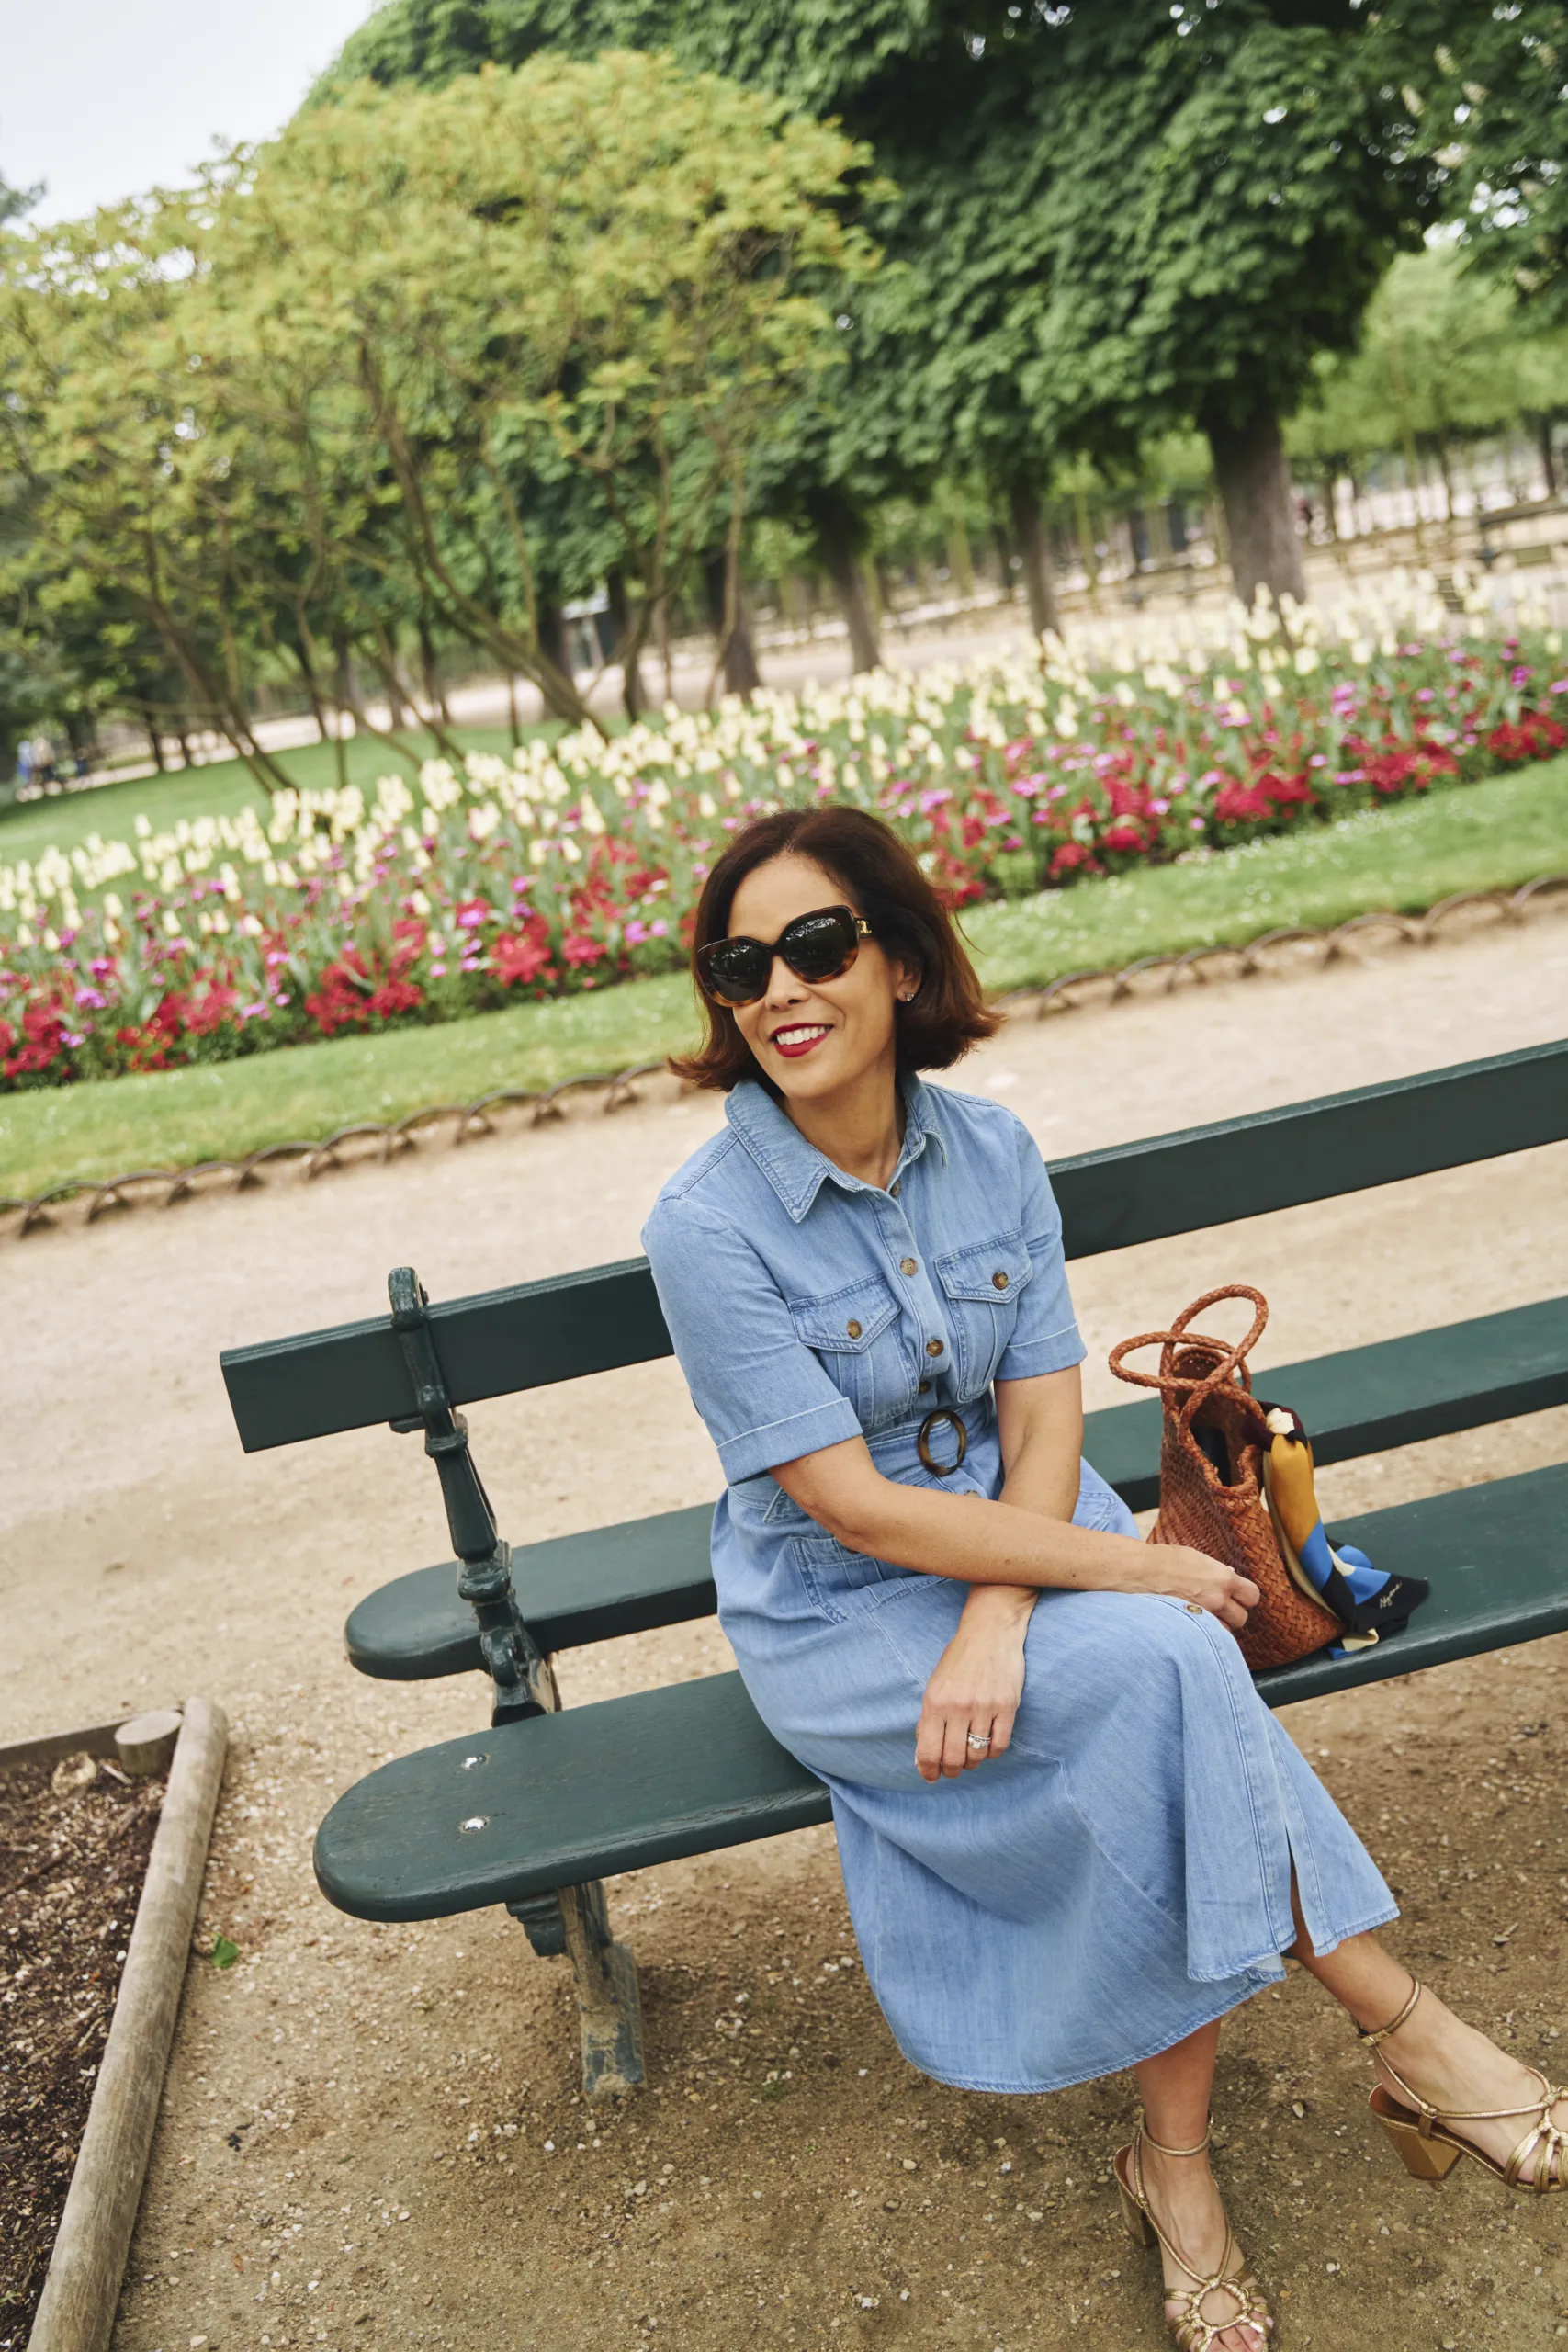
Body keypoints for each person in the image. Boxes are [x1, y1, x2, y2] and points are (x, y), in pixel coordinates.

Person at [641, 808, 1564, 2349]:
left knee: (1163, 1681)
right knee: (1171, 1660)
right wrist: (1115, 1573)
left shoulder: (990, 1152)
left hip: (1022, 1539)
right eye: (740, 967)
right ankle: (1406, 2032)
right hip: (843, 1613)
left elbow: (1043, 1418)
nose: (778, 990)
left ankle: (1181, 2170)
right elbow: (853, 1511)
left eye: (814, 945)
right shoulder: (705, 1224)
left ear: (899, 959)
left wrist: (1008, 1609)